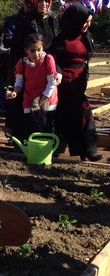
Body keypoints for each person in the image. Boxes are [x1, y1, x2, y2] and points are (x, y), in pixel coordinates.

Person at [50, 3, 101, 161]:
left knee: (65, 116)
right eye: (86, 21)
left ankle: (58, 149)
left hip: (79, 81)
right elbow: (53, 58)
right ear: (75, 20)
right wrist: (58, 72)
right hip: (68, 83)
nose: (88, 25)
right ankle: (89, 149)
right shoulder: (63, 39)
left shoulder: (83, 35)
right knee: (84, 113)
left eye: (90, 22)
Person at [7, 34, 57, 142]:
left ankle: (47, 153)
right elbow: (19, 81)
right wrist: (15, 92)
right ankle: (32, 152)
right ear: (26, 50)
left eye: (39, 50)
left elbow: (52, 83)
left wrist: (41, 101)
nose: (36, 54)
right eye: (32, 50)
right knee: (30, 128)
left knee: (46, 129)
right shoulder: (22, 63)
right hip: (29, 98)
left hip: (47, 99)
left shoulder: (48, 60)